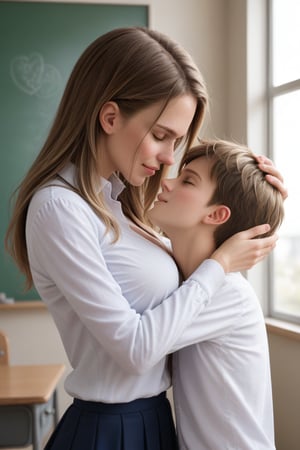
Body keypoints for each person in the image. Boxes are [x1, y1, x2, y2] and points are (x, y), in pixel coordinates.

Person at [5, 27, 286, 450]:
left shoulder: (119, 203)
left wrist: (257, 200)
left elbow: (201, 241)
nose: (170, 158)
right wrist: (220, 265)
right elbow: (135, 349)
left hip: (154, 420)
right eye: (160, 136)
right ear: (110, 117)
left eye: (177, 140)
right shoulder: (60, 209)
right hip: (112, 427)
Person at [148, 138, 284, 450]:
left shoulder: (226, 293)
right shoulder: (190, 277)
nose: (165, 183)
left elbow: (142, 344)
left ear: (217, 215)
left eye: (187, 181)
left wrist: (264, 206)